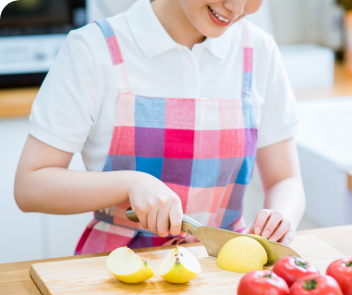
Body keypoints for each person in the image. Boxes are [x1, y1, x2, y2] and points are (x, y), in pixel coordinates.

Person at [14, 0, 305, 254]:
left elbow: (285, 179)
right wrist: (130, 183)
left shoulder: (259, 50)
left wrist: (280, 218)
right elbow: (31, 186)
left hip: (221, 265)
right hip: (116, 270)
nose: (237, 7)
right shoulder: (93, 49)